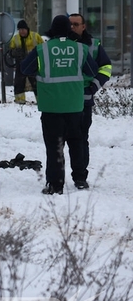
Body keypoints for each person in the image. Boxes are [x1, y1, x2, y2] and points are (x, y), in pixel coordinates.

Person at [19, 15, 97, 195]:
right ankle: (80, 179)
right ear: (69, 30)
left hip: (51, 107)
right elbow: (92, 71)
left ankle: (55, 185)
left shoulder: (42, 50)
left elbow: (25, 68)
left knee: (54, 147)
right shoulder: (81, 49)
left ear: (51, 31)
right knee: (77, 143)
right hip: (75, 106)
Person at [68, 13, 112, 189]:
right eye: (70, 24)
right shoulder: (62, 45)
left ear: (83, 26)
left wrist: (93, 87)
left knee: (80, 139)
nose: (73, 27)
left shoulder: (93, 45)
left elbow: (106, 67)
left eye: (76, 24)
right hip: (64, 101)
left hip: (84, 101)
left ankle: (80, 177)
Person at [8, 20, 43, 103]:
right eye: (20, 29)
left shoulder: (35, 36)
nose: (22, 31)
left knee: (36, 83)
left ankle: (41, 100)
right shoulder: (15, 39)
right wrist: (15, 52)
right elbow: (10, 51)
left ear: (27, 29)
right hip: (21, 64)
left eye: (23, 29)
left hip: (34, 64)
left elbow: (43, 48)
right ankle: (19, 101)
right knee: (19, 83)